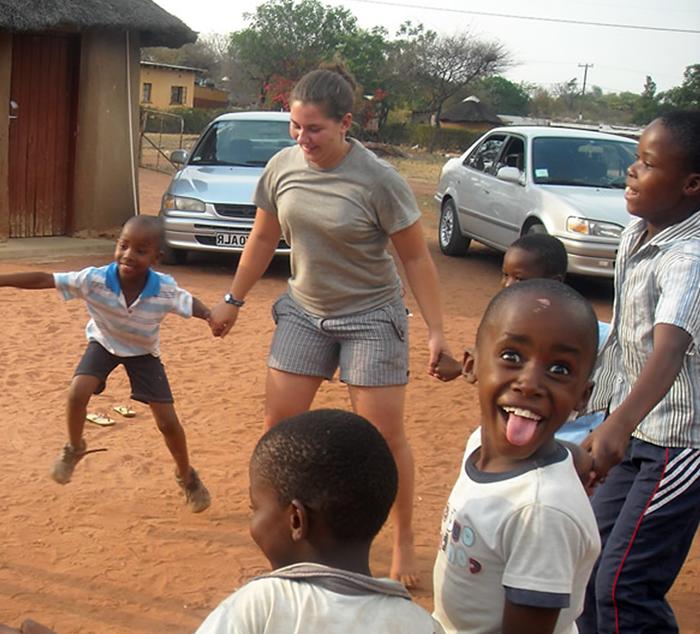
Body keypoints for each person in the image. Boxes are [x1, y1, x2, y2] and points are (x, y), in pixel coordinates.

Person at [208, 66, 449, 585]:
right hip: (304, 311)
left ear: (345, 123)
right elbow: (261, 239)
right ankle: (283, 533)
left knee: (385, 438)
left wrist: (436, 331)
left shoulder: (379, 180)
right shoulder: (281, 167)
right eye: (295, 127)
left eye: (313, 128)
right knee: (280, 431)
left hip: (370, 314)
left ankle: (403, 543)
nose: (302, 139)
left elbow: (416, 260)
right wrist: (233, 299)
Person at [578, 110, 700, 633]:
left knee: (625, 584)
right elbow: (627, 334)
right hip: (636, 432)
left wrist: (617, 425)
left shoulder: (689, 256)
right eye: (635, 158)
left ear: (690, 184)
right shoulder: (635, 236)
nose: (631, 171)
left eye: (648, 164)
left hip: (679, 443)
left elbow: (668, 349)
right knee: (589, 566)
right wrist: (593, 400)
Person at [0, 215, 211, 512]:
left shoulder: (164, 288)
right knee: (77, 392)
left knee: (167, 421)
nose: (128, 255)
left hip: (143, 353)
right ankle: (74, 448)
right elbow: (45, 279)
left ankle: (187, 476)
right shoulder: (94, 279)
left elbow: (190, 303)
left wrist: (211, 317)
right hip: (104, 343)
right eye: (123, 245)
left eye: (140, 250)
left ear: (156, 257)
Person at [432, 279, 601, 634]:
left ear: (582, 396)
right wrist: (577, 458)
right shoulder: (482, 442)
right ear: (471, 365)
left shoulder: (541, 515)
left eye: (560, 369)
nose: (529, 383)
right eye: (512, 357)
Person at [195, 409, 444, 634]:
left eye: (255, 508)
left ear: (296, 520)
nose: (254, 522)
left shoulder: (261, 604)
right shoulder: (420, 624)